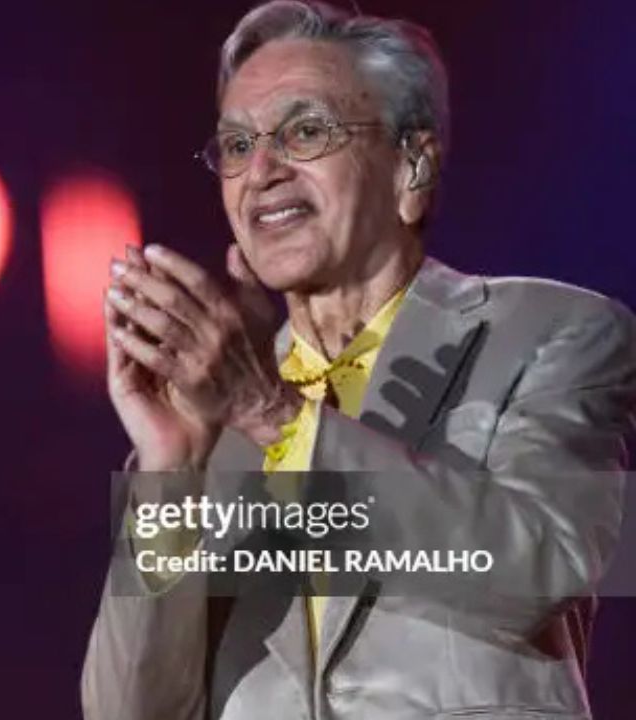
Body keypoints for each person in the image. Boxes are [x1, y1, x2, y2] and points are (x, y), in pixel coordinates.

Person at [82, 1, 636, 718]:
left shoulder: (555, 332)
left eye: (306, 131)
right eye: (237, 146)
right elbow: (131, 711)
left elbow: (542, 568)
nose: (263, 172)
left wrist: (274, 417)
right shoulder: (214, 410)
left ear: (412, 167)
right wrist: (169, 465)